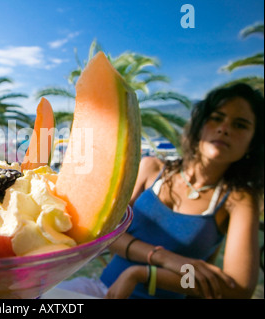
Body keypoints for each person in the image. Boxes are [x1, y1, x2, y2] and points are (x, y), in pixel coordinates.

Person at [58, 83, 264, 299]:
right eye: (216, 118)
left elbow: (237, 289)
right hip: (101, 290)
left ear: (252, 144)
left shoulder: (238, 199)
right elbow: (106, 235)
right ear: (201, 125)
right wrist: (162, 257)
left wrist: (145, 274)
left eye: (240, 125)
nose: (225, 128)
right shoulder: (151, 169)